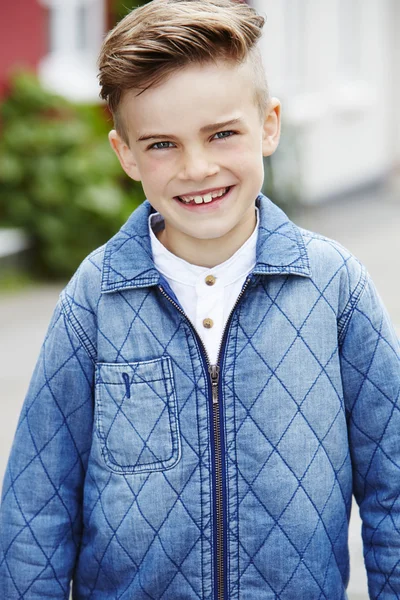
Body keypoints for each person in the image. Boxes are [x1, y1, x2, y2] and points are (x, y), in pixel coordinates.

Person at [1, 0, 400, 598]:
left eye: (221, 133)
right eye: (162, 144)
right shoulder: (95, 296)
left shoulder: (335, 287)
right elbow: (37, 509)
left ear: (268, 125)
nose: (198, 167)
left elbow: (391, 491)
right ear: (125, 153)